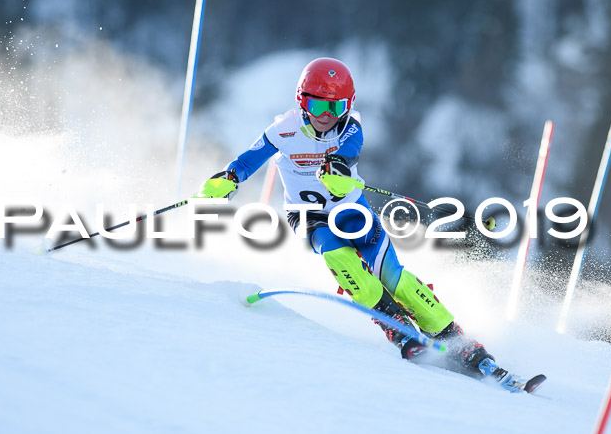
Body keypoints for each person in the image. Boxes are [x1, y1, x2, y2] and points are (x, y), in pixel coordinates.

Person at [195, 57, 511, 384]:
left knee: (393, 278)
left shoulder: (350, 126)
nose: (326, 117)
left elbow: (350, 148)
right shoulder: (284, 129)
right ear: (302, 101)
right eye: (317, 105)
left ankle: (453, 336)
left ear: (348, 106)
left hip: (352, 211)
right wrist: (230, 177)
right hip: (309, 217)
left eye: (336, 107)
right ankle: (395, 325)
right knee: (343, 263)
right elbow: (251, 157)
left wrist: (339, 168)